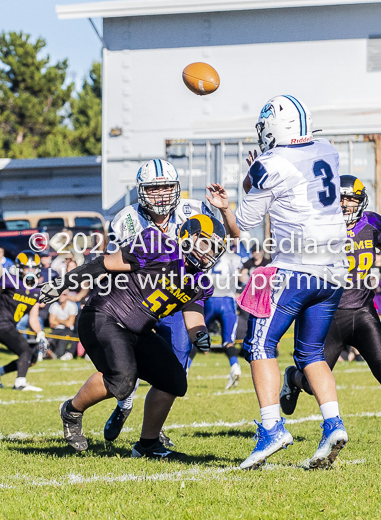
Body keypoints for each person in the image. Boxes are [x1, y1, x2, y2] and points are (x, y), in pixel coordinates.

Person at [207, 95, 352, 470]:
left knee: (258, 344)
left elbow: (242, 227)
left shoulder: (269, 164)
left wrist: (226, 206)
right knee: (311, 353)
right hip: (335, 270)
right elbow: (283, 183)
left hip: (296, 268)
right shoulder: (327, 149)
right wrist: (257, 174)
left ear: (274, 127)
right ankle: (333, 423)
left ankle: (272, 428)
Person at [39, 215, 223, 459]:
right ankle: (71, 410)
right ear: (187, 236)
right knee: (123, 380)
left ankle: (147, 446)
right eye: (205, 244)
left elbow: (194, 316)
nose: (207, 253)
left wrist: (200, 335)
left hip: (138, 331)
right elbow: (104, 263)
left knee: (174, 381)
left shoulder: (199, 282)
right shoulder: (158, 246)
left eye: (214, 249)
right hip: (104, 316)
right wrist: (65, 283)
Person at [275, 175, 381, 445]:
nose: (347, 204)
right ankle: (293, 378)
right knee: (315, 384)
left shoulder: (369, 225)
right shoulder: (320, 225)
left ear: (361, 202)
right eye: (342, 198)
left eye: (352, 199)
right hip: (328, 313)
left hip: (363, 312)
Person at [100, 159, 218, 446]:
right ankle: (121, 402)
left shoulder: (193, 210)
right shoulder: (125, 219)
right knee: (124, 364)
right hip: (138, 300)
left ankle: (152, 433)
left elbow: (226, 236)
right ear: (142, 191)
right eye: (155, 188)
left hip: (176, 300)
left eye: (167, 187)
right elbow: (111, 265)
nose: (162, 194)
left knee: (173, 369)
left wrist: (225, 210)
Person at [0, 251, 47, 391]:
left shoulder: (37, 290)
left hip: (10, 326)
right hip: (1, 325)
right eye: (27, 268)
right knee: (25, 351)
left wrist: (40, 332)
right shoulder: (10, 280)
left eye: (33, 268)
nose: (30, 271)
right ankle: (20, 383)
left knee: (30, 358)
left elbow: (33, 318)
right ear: (20, 268)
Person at [189, 247, 243, 388]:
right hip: (228, 301)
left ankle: (185, 368)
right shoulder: (233, 257)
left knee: (196, 335)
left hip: (211, 299)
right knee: (228, 341)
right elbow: (242, 276)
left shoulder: (206, 254)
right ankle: (235, 366)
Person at [48, 289, 79, 359]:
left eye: (64, 294)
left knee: (62, 343)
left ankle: (55, 356)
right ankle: (44, 354)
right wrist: (65, 321)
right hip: (56, 329)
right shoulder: (54, 305)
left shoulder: (72, 306)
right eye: (60, 294)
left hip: (68, 330)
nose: (61, 296)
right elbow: (51, 324)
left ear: (68, 296)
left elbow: (69, 324)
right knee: (47, 340)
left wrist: (57, 319)